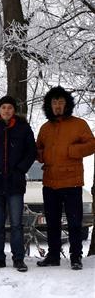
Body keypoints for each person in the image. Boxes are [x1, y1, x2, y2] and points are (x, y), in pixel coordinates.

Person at [35, 86, 95, 270]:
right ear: (49, 105)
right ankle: (53, 256)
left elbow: (92, 144)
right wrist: (42, 155)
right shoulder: (45, 128)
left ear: (67, 104)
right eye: (54, 102)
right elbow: (39, 150)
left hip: (71, 182)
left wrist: (72, 151)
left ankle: (76, 257)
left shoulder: (79, 124)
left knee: (74, 221)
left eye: (61, 102)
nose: (58, 106)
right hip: (50, 182)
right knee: (52, 222)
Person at [0, 95, 37, 272]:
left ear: (14, 110)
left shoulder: (23, 128)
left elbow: (31, 152)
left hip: (15, 183)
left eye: (10, 108)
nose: (6, 111)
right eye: (3, 108)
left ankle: (18, 258)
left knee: (17, 224)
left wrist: (20, 169)